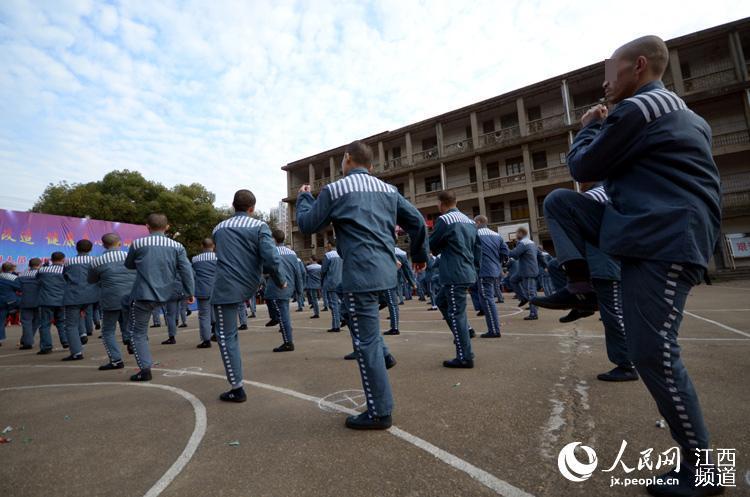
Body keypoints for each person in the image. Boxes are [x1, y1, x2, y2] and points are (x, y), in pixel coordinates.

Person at [534, 36, 722, 497]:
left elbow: (584, 166)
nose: (604, 82)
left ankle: (703, 471)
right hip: (651, 228)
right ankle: (581, 285)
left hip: (665, 238)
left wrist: (589, 127)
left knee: (653, 353)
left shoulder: (640, 108)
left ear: (638, 66)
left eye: (610, 72)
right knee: (560, 203)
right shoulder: (679, 111)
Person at [297, 140, 427, 430]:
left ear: (346, 160)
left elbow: (307, 225)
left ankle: (380, 411)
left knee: (363, 339)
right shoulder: (388, 189)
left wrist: (304, 198)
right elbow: (417, 221)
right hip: (385, 272)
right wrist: (418, 255)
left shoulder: (335, 189)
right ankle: (385, 355)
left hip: (359, 273)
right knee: (363, 327)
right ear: (371, 166)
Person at [212, 190, 284, 402]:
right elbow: (271, 256)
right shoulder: (259, 226)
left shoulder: (218, 228)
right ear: (252, 208)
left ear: (233, 205)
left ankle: (237, 387)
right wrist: (280, 279)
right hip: (249, 283)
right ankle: (236, 385)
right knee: (231, 334)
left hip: (225, 286)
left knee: (226, 337)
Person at [125, 213, 195, 382]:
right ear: (167, 227)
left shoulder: (138, 243)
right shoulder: (177, 246)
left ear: (147, 226)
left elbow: (128, 265)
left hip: (143, 294)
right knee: (149, 326)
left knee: (138, 332)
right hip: (166, 293)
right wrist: (190, 292)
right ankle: (147, 355)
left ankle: (145, 368)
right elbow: (186, 271)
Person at [429, 190, 481, 368]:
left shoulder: (444, 220)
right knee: (441, 301)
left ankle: (465, 355)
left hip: (454, 273)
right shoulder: (470, 221)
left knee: (456, 313)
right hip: (467, 271)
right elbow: (477, 249)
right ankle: (464, 333)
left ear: (441, 204)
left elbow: (432, 245)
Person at [88, 233, 137, 370]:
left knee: (108, 331)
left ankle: (116, 360)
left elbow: (91, 280)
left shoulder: (97, 261)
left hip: (110, 299)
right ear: (120, 243)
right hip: (130, 297)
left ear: (103, 244)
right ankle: (130, 342)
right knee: (128, 323)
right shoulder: (131, 257)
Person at [265, 229, 304, 352]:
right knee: (283, 312)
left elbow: (267, 269)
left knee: (283, 315)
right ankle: (286, 337)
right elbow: (298, 273)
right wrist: (299, 290)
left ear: (273, 239)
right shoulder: (292, 253)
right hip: (290, 287)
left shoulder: (272, 252)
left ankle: (288, 342)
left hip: (278, 287)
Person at [62, 239, 99, 361]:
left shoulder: (69, 262)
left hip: (74, 295)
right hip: (91, 295)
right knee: (85, 314)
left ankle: (76, 352)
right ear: (91, 249)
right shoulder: (95, 261)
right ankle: (84, 333)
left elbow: (65, 277)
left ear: (76, 248)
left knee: (71, 325)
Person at [474, 215, 509, 338]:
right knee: (487, 298)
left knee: (487, 300)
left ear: (478, 222)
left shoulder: (476, 234)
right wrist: (498, 263)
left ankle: (494, 329)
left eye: (475, 222)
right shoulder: (497, 235)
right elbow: (505, 252)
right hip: (495, 270)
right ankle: (494, 328)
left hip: (484, 270)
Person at [37, 252, 67, 352]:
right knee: (61, 322)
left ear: (51, 259)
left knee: (45, 324)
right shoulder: (65, 270)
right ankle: (65, 341)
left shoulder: (42, 270)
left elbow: (37, 279)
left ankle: (46, 347)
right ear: (63, 259)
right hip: (62, 300)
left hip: (46, 300)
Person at [508, 227, 539, 321]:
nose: (516, 235)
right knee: (513, 280)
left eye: (517, 233)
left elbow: (514, 254)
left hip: (528, 271)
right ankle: (523, 298)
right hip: (527, 270)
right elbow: (540, 255)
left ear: (521, 233)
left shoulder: (523, 243)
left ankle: (533, 313)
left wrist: (504, 248)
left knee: (531, 292)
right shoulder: (532, 243)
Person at [192, 238, 217, 348]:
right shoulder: (219, 257)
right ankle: (217, 333)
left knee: (204, 315)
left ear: (202, 246)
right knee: (217, 312)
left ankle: (206, 340)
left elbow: (192, 274)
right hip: (217, 289)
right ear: (213, 246)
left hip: (202, 289)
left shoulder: (195, 259)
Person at [18, 258, 42, 350]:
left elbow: (17, 288)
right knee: (37, 321)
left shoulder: (22, 275)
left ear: (29, 265)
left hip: (25, 301)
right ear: (39, 264)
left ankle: (27, 340)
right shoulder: (41, 275)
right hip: (39, 301)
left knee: (26, 322)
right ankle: (28, 339)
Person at [321, 240, 343, 333]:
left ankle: (336, 325)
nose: (326, 247)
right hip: (341, 281)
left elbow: (323, 270)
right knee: (338, 303)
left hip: (331, 282)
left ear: (330, 245)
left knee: (333, 305)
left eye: (327, 245)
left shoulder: (328, 255)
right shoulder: (341, 254)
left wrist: (322, 280)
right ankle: (341, 318)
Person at [0, 262, 21, 347]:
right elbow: (20, 288)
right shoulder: (14, 278)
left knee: (1, 320)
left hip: (1, 301)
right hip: (10, 301)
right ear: (12, 269)